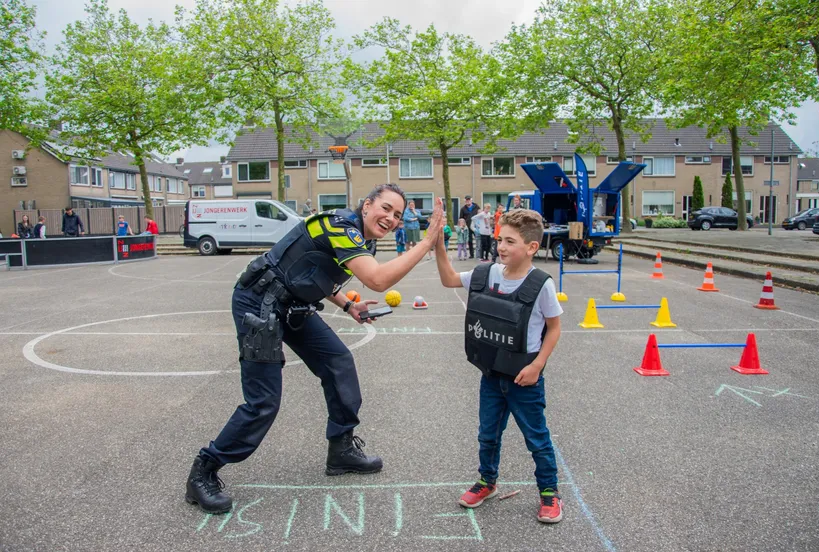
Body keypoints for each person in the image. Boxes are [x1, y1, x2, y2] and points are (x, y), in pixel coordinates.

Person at [186, 184, 444, 515]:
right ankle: (203, 471)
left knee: (338, 361)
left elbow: (317, 273)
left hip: (293, 302)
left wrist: (348, 305)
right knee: (264, 402)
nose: (391, 218)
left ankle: (341, 449)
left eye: (397, 214)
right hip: (260, 301)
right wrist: (426, 242)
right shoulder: (339, 226)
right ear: (367, 206)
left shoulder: (361, 239)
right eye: (386, 209)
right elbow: (377, 280)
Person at [434, 208, 564, 524]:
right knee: (488, 434)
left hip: (524, 378)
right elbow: (449, 279)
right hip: (492, 374)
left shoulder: (541, 285)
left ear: (532, 247)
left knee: (536, 437)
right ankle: (487, 482)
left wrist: (537, 365)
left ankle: (549, 493)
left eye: (510, 241)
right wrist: (438, 244)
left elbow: (555, 328)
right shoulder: (487, 273)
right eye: (499, 240)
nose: (501, 247)